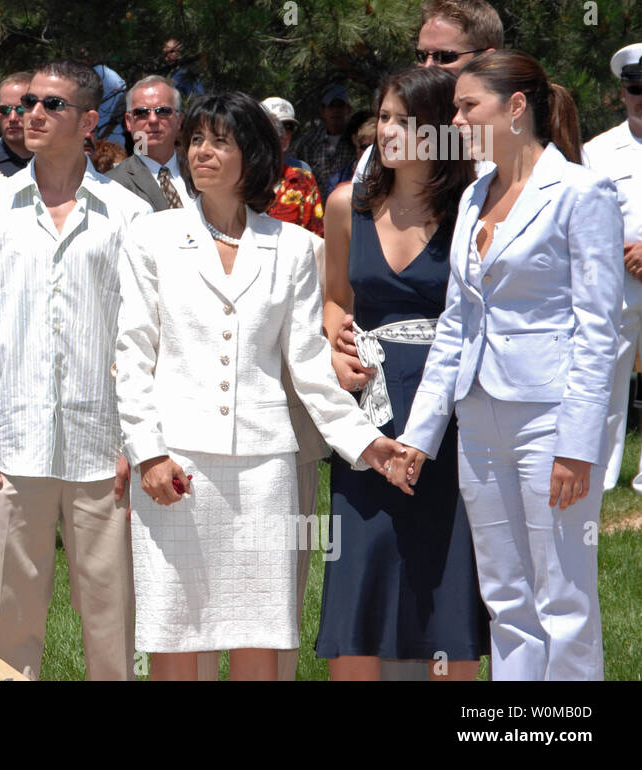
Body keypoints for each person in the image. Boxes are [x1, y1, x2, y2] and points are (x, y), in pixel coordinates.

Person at [115, 91, 404, 681]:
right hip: (177, 460)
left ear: (252, 153)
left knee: (260, 630)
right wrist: (148, 453)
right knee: (174, 627)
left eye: (219, 141)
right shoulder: (151, 236)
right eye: (196, 139)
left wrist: (365, 442)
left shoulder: (293, 247)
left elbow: (309, 366)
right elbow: (132, 353)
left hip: (265, 467)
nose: (202, 151)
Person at [393, 50, 621, 681]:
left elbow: (598, 329)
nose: (456, 120)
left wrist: (578, 444)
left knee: (563, 597)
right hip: (478, 418)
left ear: (516, 107)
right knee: (505, 596)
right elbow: (456, 322)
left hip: (551, 418)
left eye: (468, 106)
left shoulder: (582, 191)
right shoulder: (473, 195)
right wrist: (420, 433)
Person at [0, 59, 149, 680]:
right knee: (5, 620)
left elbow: (146, 337)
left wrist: (139, 440)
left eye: (51, 104)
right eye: (25, 102)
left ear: (88, 122)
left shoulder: (130, 215)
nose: (31, 113)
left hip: (106, 448)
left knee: (112, 622)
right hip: (9, 446)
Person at [316, 66, 489, 680]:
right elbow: (334, 298)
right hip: (369, 414)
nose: (386, 130)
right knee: (360, 564)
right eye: (383, 117)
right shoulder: (347, 204)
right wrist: (335, 343)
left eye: (405, 121)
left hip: (451, 415)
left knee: (445, 567)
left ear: (442, 132)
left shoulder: (473, 212)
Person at [349, 0, 504, 184]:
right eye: (422, 56)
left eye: (445, 57)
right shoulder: (385, 151)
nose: (427, 66)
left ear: (487, 60)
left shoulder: (505, 155)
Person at [582, 42, 642, 493]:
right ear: (622, 92)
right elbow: (585, 217)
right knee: (607, 379)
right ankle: (600, 476)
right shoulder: (597, 151)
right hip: (616, 281)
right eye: (635, 88)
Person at [105, 75, 189, 210]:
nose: (153, 119)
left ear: (179, 120)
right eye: (141, 112)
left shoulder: (200, 174)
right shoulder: (111, 185)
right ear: (128, 121)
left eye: (163, 111)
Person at [261, 97, 324, 236]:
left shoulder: (303, 179)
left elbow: (316, 234)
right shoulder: (240, 179)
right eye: (275, 126)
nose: (282, 132)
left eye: (288, 127)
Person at [290, 85, 356, 194]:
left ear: (348, 110)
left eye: (340, 106)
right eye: (331, 106)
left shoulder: (356, 142)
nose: (336, 111)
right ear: (322, 111)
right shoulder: (307, 142)